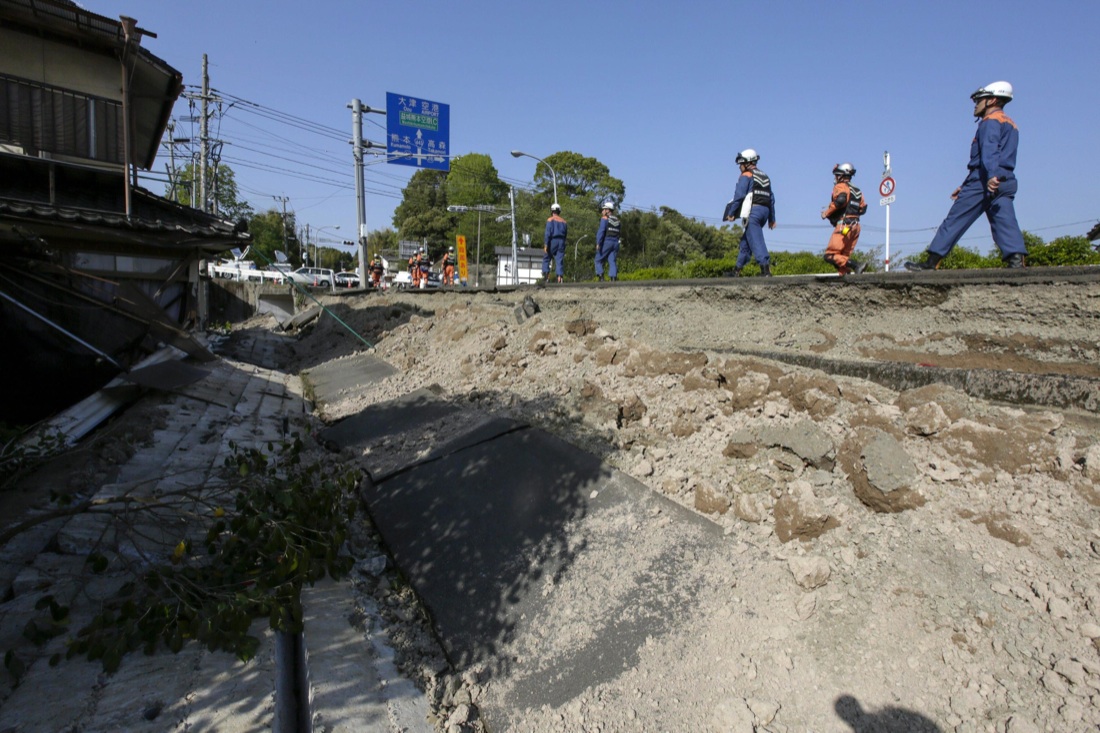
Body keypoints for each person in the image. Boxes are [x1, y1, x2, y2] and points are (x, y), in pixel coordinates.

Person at [906, 81, 1027, 271]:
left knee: (955, 220)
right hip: (1006, 179)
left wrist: (989, 176)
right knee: (1004, 219)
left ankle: (931, 262)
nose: (976, 103)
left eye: (980, 99)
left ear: (992, 99)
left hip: (984, 179)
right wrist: (969, 183)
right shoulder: (1011, 124)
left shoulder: (990, 122)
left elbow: (989, 152)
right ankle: (1016, 261)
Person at [723, 148, 777, 276]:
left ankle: (765, 270)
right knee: (746, 242)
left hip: (753, 212)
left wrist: (731, 213)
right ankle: (736, 271)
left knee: (756, 240)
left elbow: (739, 195)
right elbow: (772, 198)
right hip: (765, 211)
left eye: (741, 164)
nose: (739, 167)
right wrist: (772, 218)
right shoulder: (764, 176)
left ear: (747, 163)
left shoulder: (746, 175)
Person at [820, 162, 869, 276]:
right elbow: (863, 209)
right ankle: (845, 277)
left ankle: (856, 265)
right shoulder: (857, 190)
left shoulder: (840, 186)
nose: (835, 178)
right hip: (855, 227)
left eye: (837, 175)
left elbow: (841, 200)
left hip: (844, 226)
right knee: (842, 257)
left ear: (842, 175)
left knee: (830, 255)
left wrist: (827, 213)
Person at [595, 201, 621, 281]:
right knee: (612, 260)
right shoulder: (617, 220)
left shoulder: (604, 219)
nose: (602, 211)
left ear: (608, 210)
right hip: (616, 243)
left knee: (598, 260)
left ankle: (601, 276)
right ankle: (613, 278)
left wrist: (598, 243)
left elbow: (601, 231)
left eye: (604, 209)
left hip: (607, 241)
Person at [543, 203, 567, 283]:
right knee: (559, 259)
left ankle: (547, 276)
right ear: (559, 211)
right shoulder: (564, 221)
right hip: (561, 241)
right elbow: (566, 234)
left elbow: (547, 233)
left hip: (552, 240)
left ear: (552, 211)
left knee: (546, 258)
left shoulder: (550, 220)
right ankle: (560, 277)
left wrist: (546, 244)